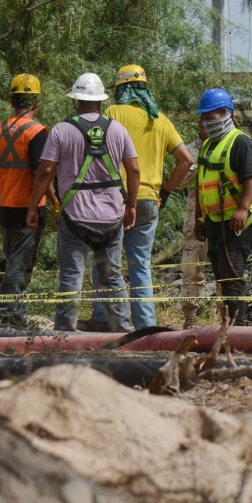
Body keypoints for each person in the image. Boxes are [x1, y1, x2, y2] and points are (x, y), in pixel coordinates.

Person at [81, 64, 193, 331]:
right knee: (140, 265)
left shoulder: (112, 113)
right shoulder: (161, 120)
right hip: (149, 201)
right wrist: (164, 192)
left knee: (105, 261)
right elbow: (186, 161)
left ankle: (102, 318)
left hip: (115, 200)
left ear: (121, 90)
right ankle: (146, 326)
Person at [26, 73, 140, 332]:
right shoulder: (118, 130)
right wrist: (131, 205)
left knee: (71, 277)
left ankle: (64, 335)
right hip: (111, 218)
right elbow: (134, 170)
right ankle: (122, 332)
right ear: (101, 102)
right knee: (112, 279)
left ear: (75, 101)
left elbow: (44, 172)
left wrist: (34, 206)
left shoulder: (61, 131)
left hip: (75, 218)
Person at [0, 73, 56, 326]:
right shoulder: (37, 131)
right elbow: (41, 173)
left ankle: (16, 319)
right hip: (29, 208)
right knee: (18, 265)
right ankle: (1, 314)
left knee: (19, 264)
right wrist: (53, 200)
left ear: (12, 101)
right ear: (36, 100)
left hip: (6, 206)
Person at [192, 88, 252, 325]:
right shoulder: (207, 146)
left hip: (238, 222)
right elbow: (201, 185)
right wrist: (199, 219)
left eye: (210, 116)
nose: (206, 122)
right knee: (222, 276)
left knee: (232, 274)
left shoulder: (240, 142)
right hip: (214, 222)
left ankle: (237, 329)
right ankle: (228, 325)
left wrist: (243, 209)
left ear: (225, 113)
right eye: (203, 117)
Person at [177, 120, 210, 329]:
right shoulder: (190, 151)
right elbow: (179, 180)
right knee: (192, 269)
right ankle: (190, 318)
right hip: (195, 220)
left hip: (224, 217)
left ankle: (227, 317)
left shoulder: (230, 146)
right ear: (199, 124)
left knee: (227, 268)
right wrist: (200, 165)